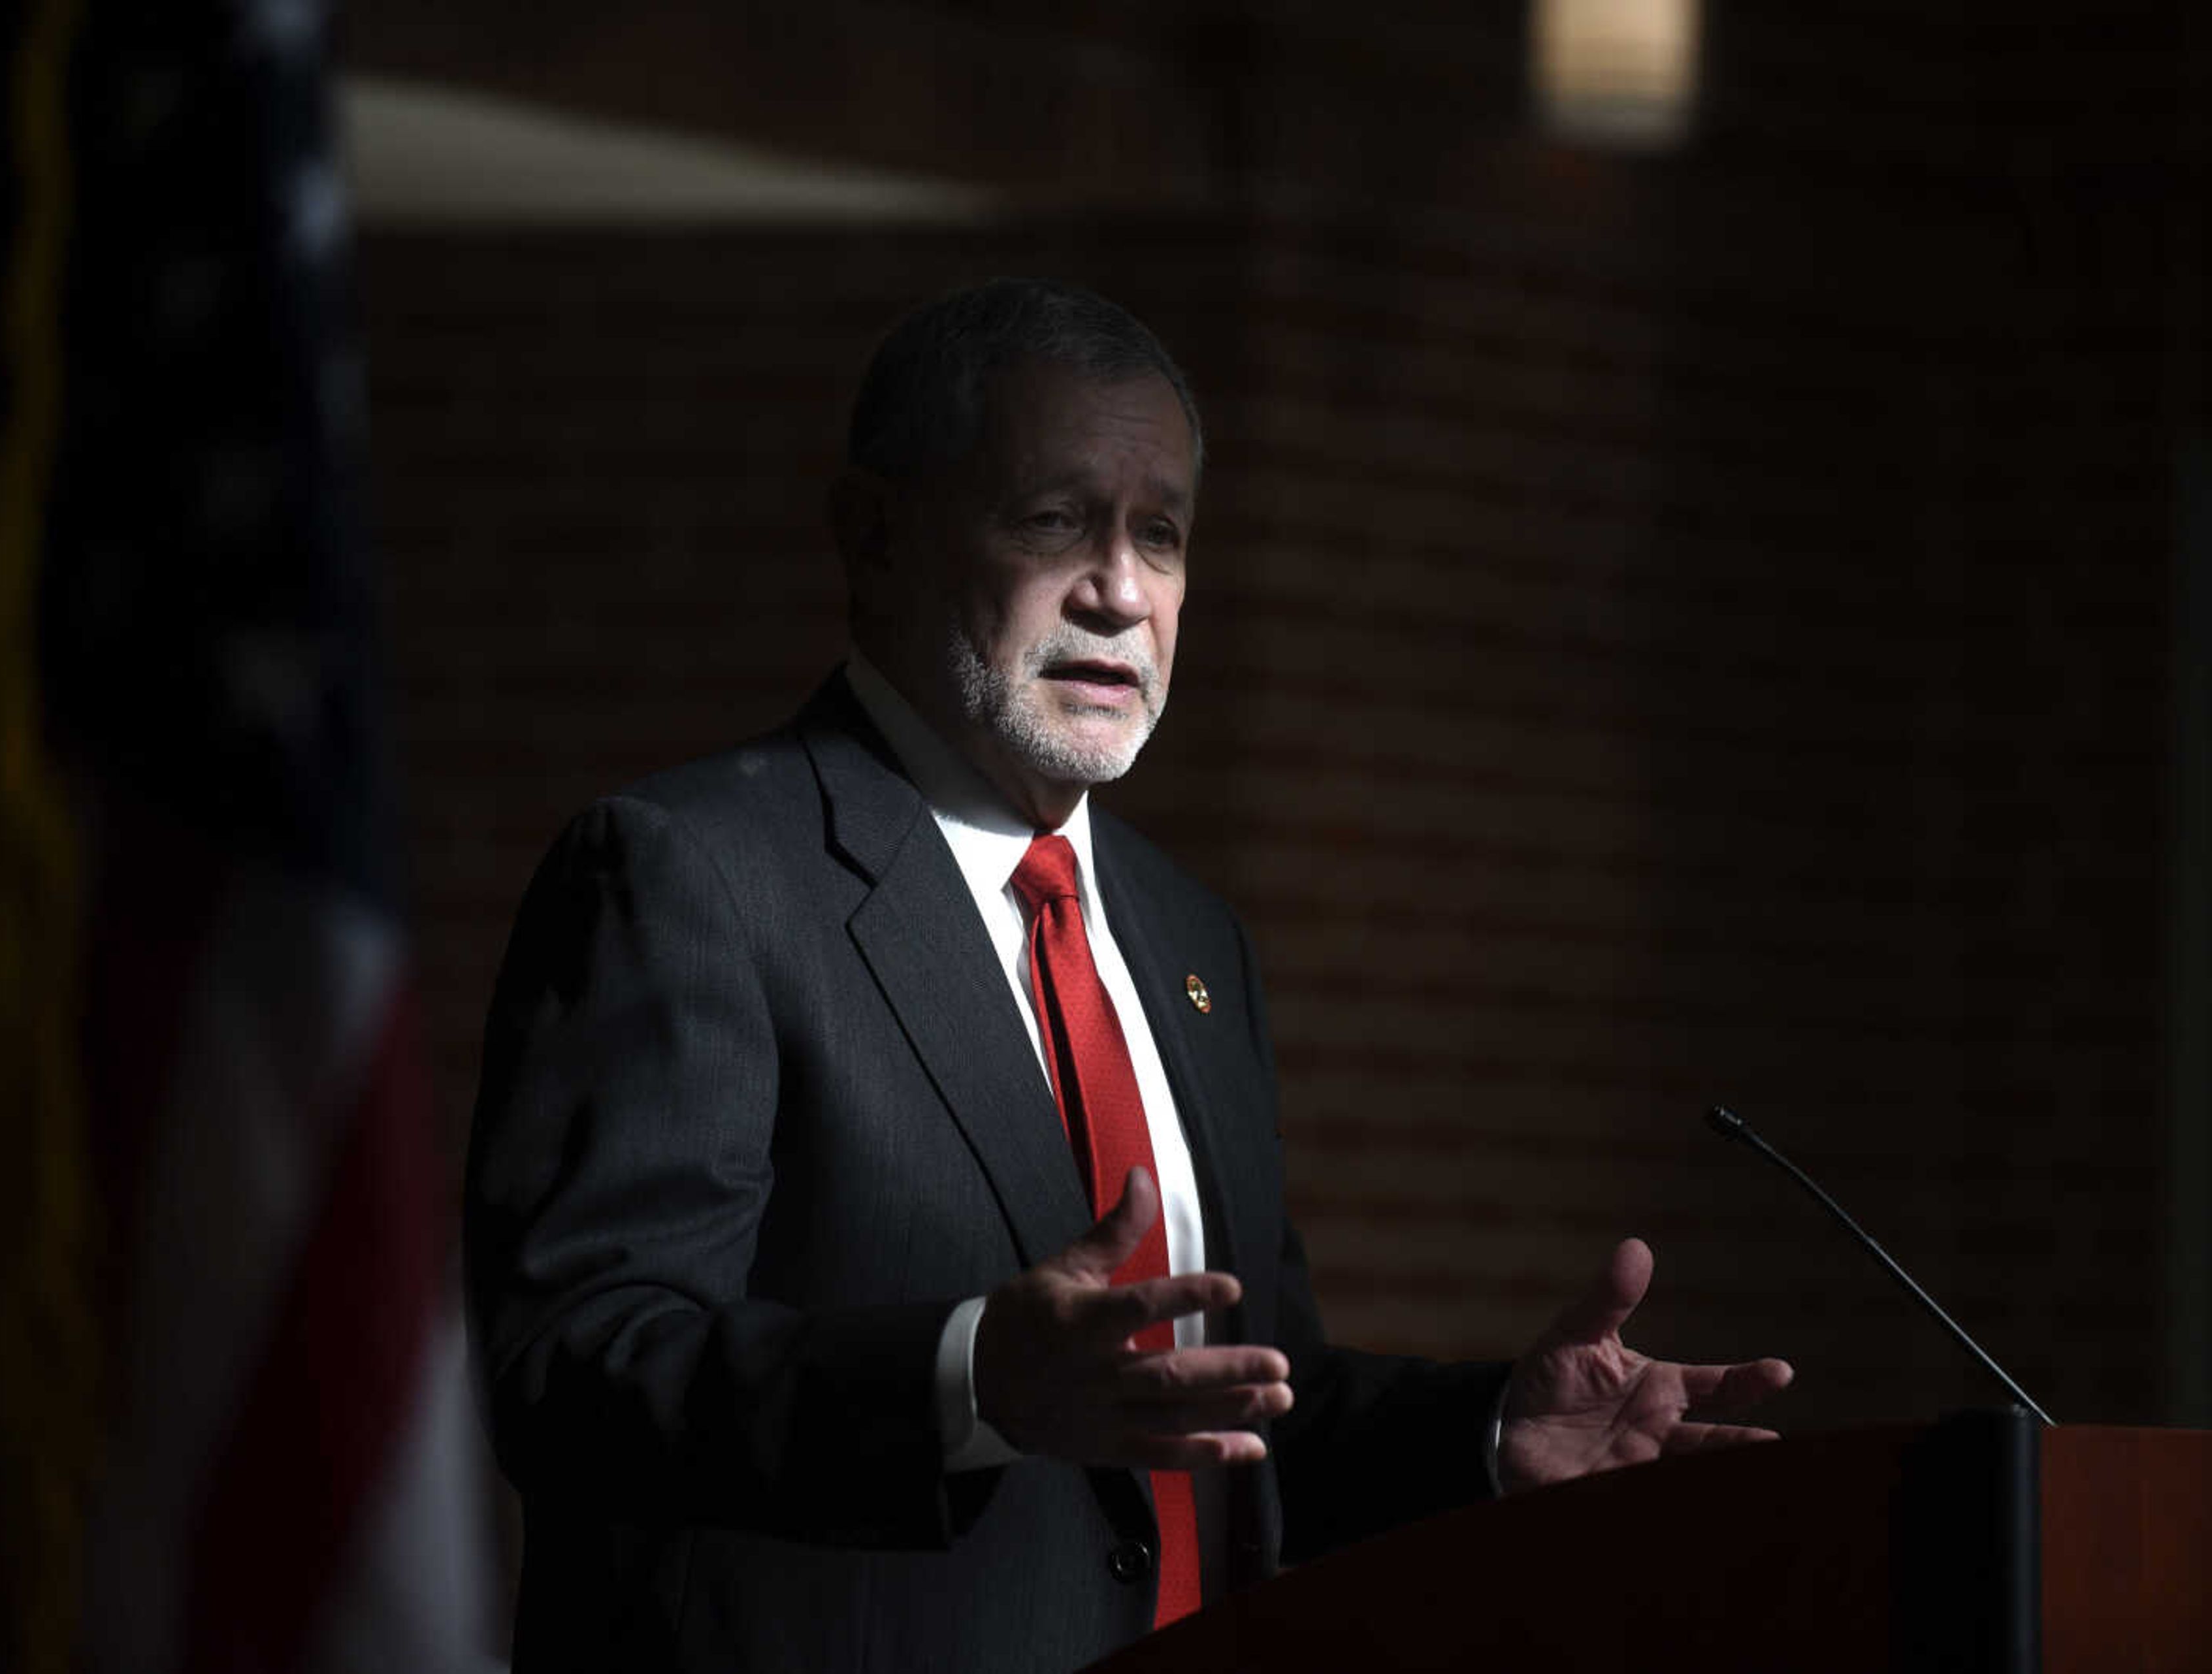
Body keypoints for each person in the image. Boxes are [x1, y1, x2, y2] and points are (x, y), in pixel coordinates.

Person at [463, 278, 1793, 1673]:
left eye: (1158, 535)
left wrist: (1488, 1434)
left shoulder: (1188, 937)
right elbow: (573, 1372)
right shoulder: (692, 876)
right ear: (873, 537)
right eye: (1053, 520)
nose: (1118, 589)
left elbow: (1238, 1405)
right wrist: (968, 1379)